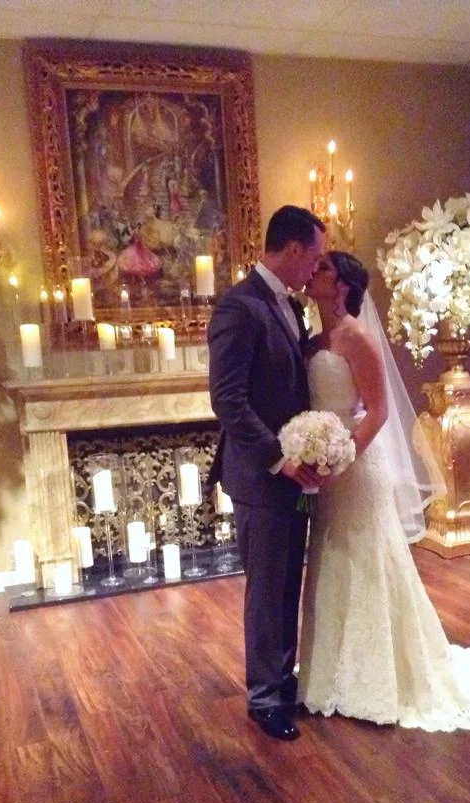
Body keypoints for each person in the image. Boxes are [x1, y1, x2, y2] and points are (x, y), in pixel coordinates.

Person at [298, 251, 470, 731]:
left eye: (322, 269)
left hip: (356, 465)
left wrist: (341, 458)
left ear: (341, 285)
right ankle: (329, 671)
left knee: (368, 560)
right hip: (325, 465)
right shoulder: (313, 340)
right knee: (331, 560)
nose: (312, 273)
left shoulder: (357, 338)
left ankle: (382, 674)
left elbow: (379, 410)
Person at [207, 205, 326, 741]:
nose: (316, 268)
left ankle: (282, 680)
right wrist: (280, 457)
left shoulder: (291, 307)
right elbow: (228, 401)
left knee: (287, 582)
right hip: (263, 476)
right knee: (266, 589)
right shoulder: (240, 307)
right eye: (315, 257)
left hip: (295, 476)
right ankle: (263, 698)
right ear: (294, 249)